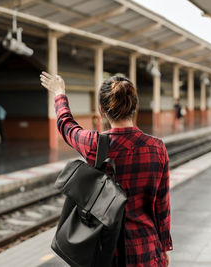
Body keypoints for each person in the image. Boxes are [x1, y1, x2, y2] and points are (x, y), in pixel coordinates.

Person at [40, 72, 172, 267]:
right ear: (134, 107)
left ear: (102, 109)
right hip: (147, 249)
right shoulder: (157, 147)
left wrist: (59, 93)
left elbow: (66, 125)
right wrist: (163, 246)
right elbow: (162, 206)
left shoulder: (95, 144)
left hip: (108, 252)